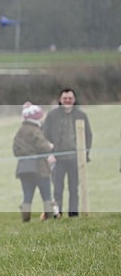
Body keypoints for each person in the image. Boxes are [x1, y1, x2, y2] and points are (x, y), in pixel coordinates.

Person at [42, 88, 92, 217]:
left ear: (74, 100)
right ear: (60, 100)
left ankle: (73, 215)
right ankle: (57, 214)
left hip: (75, 159)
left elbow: (88, 135)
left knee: (74, 189)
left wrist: (85, 155)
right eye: (65, 98)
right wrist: (49, 154)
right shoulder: (52, 116)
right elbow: (44, 136)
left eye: (70, 98)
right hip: (57, 159)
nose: (67, 100)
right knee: (57, 189)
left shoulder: (81, 115)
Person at [13, 102, 56, 221]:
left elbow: (15, 151)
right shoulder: (36, 130)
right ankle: (50, 218)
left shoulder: (19, 131)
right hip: (40, 168)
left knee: (27, 197)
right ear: (36, 117)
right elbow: (43, 147)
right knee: (46, 196)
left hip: (24, 169)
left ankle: (25, 220)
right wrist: (50, 146)